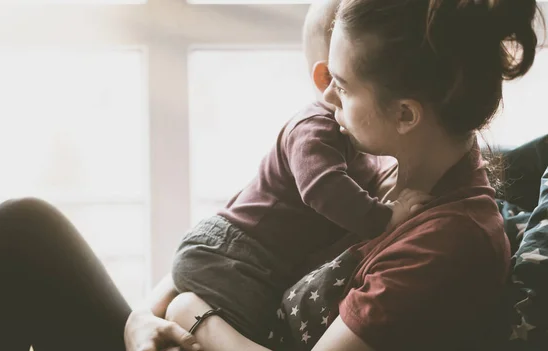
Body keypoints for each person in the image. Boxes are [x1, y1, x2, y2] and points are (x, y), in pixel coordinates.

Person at [133, 0, 543, 350]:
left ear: (405, 114)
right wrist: (139, 319)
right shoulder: (383, 165)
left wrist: (193, 314)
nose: (326, 97)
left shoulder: (447, 248)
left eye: (343, 86)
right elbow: (241, 242)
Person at [168, 0, 430, 348]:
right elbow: (324, 189)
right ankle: (185, 312)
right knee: (263, 334)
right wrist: (385, 218)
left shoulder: (365, 147)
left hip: (261, 266)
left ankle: (187, 314)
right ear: (327, 79)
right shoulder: (314, 128)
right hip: (230, 256)